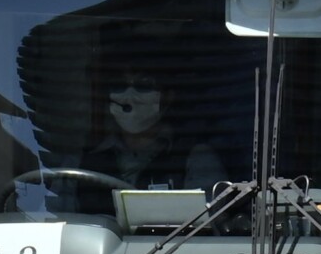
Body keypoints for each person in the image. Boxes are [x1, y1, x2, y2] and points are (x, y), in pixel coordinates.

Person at [90, 70, 225, 190]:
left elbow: (206, 209)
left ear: (168, 97)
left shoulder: (195, 157)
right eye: (120, 85)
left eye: (143, 85)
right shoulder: (91, 160)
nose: (129, 97)